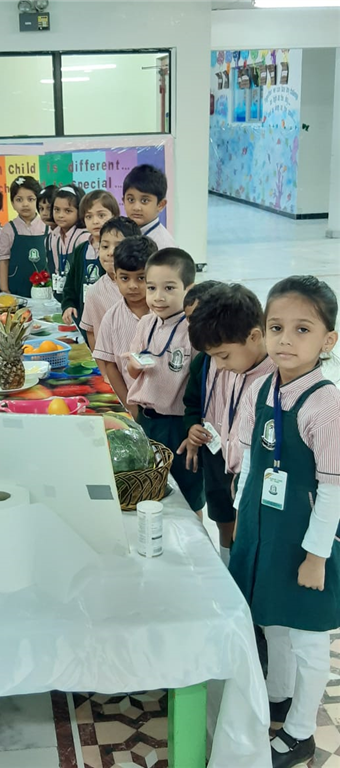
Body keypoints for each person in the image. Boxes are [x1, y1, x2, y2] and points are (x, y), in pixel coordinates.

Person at [230, 276, 340, 768]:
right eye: (276, 328)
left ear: (328, 340)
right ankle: (278, 694)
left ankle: (300, 734)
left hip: (306, 540)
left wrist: (316, 556)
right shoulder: (262, 386)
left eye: (302, 330)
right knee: (270, 617)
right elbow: (251, 459)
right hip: (264, 530)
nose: (286, 340)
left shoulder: (326, 405)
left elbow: (334, 489)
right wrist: (242, 515)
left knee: (308, 638)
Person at [186, 283, 275, 559]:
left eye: (223, 356)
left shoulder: (275, 379)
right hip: (225, 462)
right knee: (227, 529)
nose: (219, 365)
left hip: (258, 483)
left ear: (255, 336)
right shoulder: (238, 365)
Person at [127, 248, 204, 515]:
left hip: (179, 425)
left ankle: (194, 538)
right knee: (150, 486)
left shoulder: (193, 329)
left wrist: (195, 426)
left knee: (187, 494)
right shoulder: (145, 323)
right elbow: (133, 371)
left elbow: (203, 383)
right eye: (151, 288)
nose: (158, 297)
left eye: (169, 288)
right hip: (147, 420)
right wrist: (133, 366)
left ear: (189, 290)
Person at [93, 236, 156, 413]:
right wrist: (130, 408)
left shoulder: (165, 314)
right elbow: (111, 366)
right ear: (115, 276)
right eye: (125, 278)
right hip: (133, 404)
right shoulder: (111, 318)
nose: (133, 286)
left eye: (141, 278)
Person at [80, 217, 142, 352]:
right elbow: (91, 331)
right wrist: (101, 363)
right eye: (105, 246)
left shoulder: (145, 286)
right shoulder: (94, 292)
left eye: (119, 247)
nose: (110, 253)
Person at [61, 190, 120, 328]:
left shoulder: (119, 250)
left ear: (114, 216)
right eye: (89, 216)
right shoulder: (80, 250)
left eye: (101, 215)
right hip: (84, 318)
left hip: (111, 319)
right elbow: (70, 285)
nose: (95, 221)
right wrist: (68, 305)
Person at [0, 176, 48, 298]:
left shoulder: (48, 227)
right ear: (12, 203)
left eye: (31, 199)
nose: (25, 204)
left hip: (45, 289)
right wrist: (4, 290)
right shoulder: (8, 229)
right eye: (19, 200)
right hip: (16, 289)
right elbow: (4, 261)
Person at [47, 184, 88, 301]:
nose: (60, 215)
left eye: (68, 211)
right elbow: (57, 269)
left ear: (80, 211)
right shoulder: (54, 236)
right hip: (64, 296)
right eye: (56, 210)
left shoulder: (84, 237)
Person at [122, 164, 176, 248]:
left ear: (161, 205)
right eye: (131, 200)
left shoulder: (165, 245)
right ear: (123, 201)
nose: (136, 208)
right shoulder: (119, 235)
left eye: (144, 201)